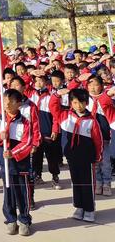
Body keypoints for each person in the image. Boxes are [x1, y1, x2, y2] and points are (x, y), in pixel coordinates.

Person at [0, 89, 34, 236]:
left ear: (19, 104)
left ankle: (24, 220)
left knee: (22, 192)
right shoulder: (0, 119)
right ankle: (10, 220)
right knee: (8, 193)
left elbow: (27, 142)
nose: (7, 104)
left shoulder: (25, 123)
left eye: (11, 101)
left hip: (20, 164)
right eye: (4, 101)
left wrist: (13, 153)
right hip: (5, 164)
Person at [59, 88, 103, 223]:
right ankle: (79, 207)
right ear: (71, 103)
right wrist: (57, 94)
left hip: (87, 158)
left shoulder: (92, 121)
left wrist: (98, 155)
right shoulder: (66, 116)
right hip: (72, 156)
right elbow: (53, 107)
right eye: (76, 102)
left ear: (87, 103)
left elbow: (98, 140)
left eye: (82, 103)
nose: (79, 106)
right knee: (76, 182)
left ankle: (89, 209)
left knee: (87, 183)